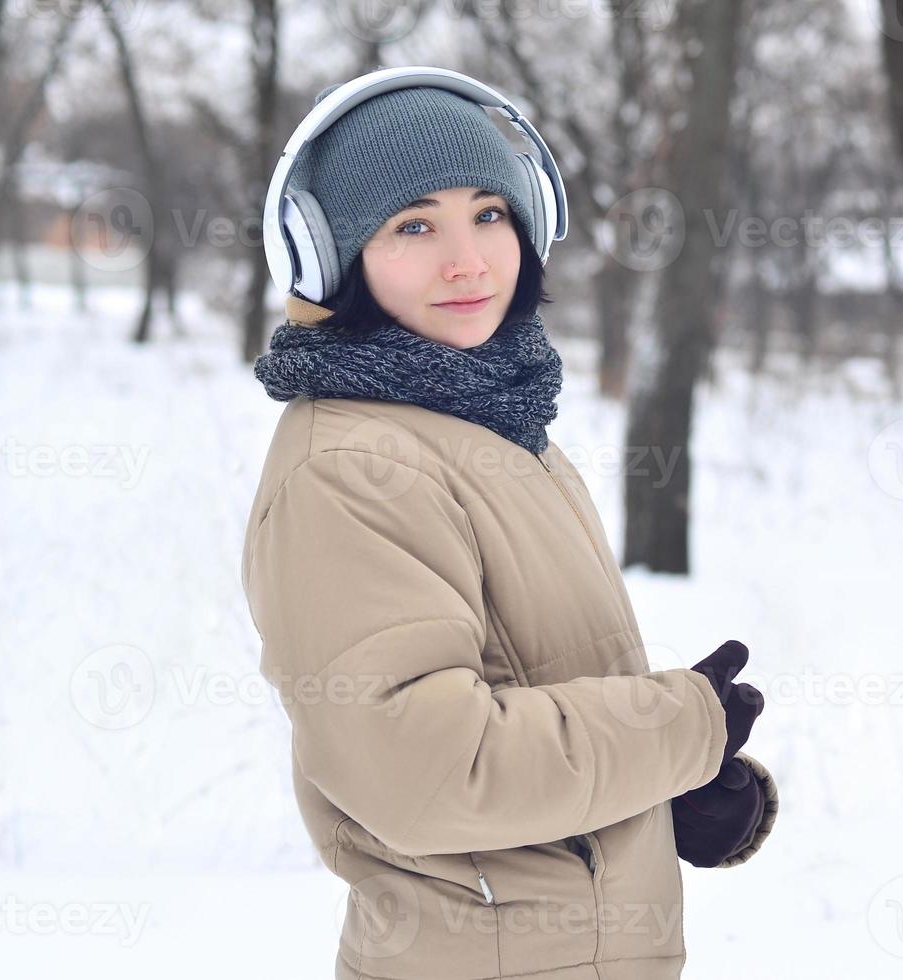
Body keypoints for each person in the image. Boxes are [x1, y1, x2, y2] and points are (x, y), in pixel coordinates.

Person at [240, 70, 779, 980]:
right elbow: (429, 771)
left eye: (489, 213)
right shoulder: (352, 468)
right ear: (328, 255)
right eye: (414, 225)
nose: (469, 260)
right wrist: (676, 730)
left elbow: (534, 690)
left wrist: (670, 793)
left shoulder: (498, 430)